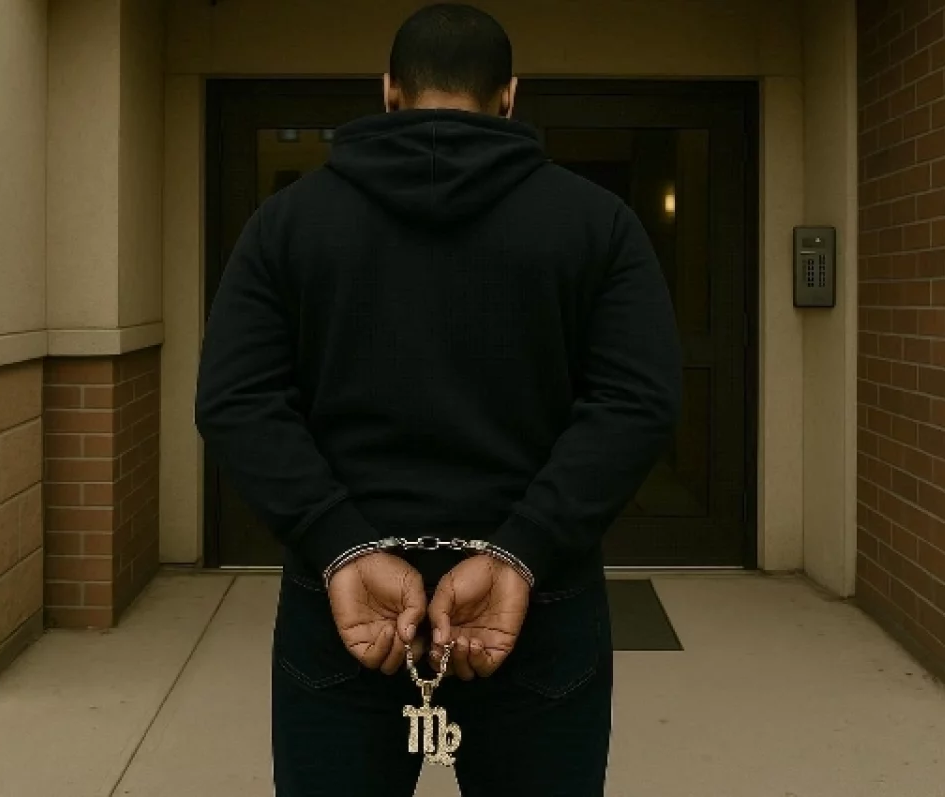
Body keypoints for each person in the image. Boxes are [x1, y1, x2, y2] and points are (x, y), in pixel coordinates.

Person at [194, 4, 681, 795]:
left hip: (347, 606)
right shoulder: (598, 224)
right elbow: (638, 401)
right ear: (510, 96)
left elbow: (234, 398)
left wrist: (337, 541)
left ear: (389, 91)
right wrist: (524, 547)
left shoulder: (288, 223)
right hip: (535, 600)